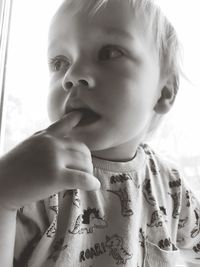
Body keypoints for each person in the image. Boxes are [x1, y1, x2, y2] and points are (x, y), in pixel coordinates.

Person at [0, 0, 199, 266]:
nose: (72, 75)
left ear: (165, 91)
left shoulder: (173, 186)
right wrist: (5, 195)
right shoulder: (35, 174)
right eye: (60, 61)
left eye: (109, 53)